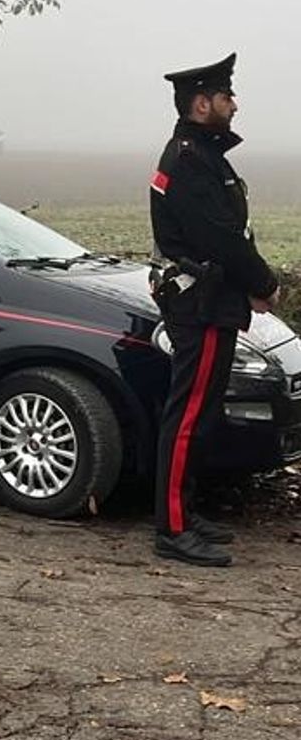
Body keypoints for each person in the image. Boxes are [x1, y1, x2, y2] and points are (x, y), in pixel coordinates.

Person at [148, 51, 279, 567]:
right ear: (203, 103)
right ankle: (173, 530)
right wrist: (264, 282)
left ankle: (185, 511)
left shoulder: (205, 154)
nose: (234, 104)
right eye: (226, 96)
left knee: (200, 416)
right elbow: (219, 239)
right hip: (199, 306)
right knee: (186, 418)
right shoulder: (188, 159)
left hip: (215, 301)